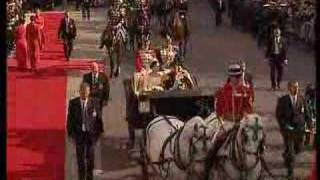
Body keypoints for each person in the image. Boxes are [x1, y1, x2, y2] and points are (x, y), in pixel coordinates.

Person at [275, 80, 312, 180]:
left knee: (298, 149)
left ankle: (287, 155)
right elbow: (279, 115)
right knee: (291, 153)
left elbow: (308, 115)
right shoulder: (283, 100)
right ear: (289, 88)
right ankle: (290, 172)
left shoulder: (302, 99)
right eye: (293, 87)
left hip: (299, 130)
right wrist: (283, 126)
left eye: (297, 87)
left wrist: (308, 131)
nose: (295, 89)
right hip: (288, 130)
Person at [67, 82, 104, 180]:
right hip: (79, 136)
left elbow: (99, 121)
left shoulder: (95, 103)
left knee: (90, 159)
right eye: (82, 92)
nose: (84, 94)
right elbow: (69, 120)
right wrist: (71, 134)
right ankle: (81, 177)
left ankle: (89, 177)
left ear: (89, 92)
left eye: (86, 92)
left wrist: (97, 135)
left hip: (90, 136)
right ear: (80, 92)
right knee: (80, 160)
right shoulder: (73, 103)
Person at [265, 26, 288, 91]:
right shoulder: (271, 40)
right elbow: (268, 48)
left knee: (280, 71)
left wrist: (285, 59)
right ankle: (273, 85)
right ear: (274, 33)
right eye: (275, 32)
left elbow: (285, 50)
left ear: (280, 33)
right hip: (273, 57)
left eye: (278, 32)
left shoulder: (283, 40)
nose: (277, 33)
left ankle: (278, 84)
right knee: (272, 72)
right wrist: (266, 56)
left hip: (280, 58)